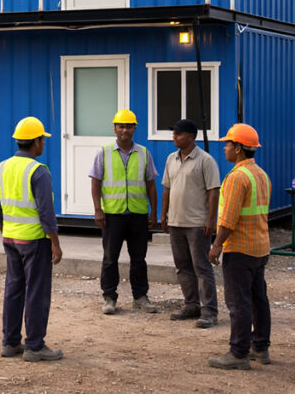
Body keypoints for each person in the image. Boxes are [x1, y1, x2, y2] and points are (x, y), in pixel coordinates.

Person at [0, 116, 64, 362]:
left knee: (14, 289)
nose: (44, 143)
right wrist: (55, 242)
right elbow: (46, 212)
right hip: (34, 240)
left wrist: (5, 229)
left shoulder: (2, 167)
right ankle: (34, 346)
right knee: (36, 292)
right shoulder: (38, 171)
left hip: (11, 238)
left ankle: (10, 343)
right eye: (42, 139)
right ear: (36, 142)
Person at [207, 123, 272, 370]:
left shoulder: (237, 177)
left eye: (228, 143)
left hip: (240, 249)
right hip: (260, 247)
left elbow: (228, 220)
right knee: (258, 299)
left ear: (239, 148)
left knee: (238, 302)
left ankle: (238, 353)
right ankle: (260, 347)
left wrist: (216, 245)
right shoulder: (261, 175)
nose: (224, 147)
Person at [90, 109, 160, 315]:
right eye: (121, 126)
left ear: (134, 128)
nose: (125, 130)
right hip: (112, 215)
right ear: (114, 128)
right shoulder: (103, 153)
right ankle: (109, 297)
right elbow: (95, 182)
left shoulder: (144, 153)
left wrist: (153, 213)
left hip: (138, 215)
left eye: (129, 126)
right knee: (110, 258)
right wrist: (97, 210)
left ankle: (140, 297)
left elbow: (151, 185)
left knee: (139, 259)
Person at [160, 119, 221, 328]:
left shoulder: (205, 160)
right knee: (182, 267)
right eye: (174, 133)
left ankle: (209, 311)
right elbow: (167, 188)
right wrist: (163, 214)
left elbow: (214, 191)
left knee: (201, 267)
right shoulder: (171, 159)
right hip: (176, 221)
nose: (174, 137)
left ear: (191, 137)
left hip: (197, 223)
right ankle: (191, 305)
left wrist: (210, 219)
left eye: (179, 133)